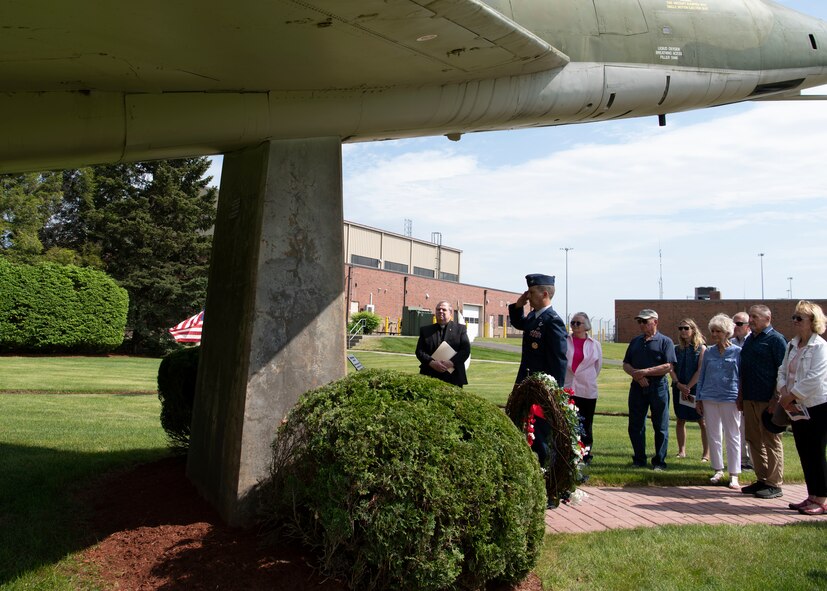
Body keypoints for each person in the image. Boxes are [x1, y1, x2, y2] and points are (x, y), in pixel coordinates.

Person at [777, 301, 827, 515]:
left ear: (813, 322)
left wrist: (792, 395)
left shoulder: (820, 346)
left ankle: (823, 499)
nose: (794, 321)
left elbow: (815, 378)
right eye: (794, 317)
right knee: (804, 451)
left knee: (816, 451)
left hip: (816, 406)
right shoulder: (792, 344)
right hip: (794, 406)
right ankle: (812, 495)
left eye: (799, 318)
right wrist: (783, 392)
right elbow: (782, 371)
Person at [739, 304, 787, 499]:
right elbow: (744, 369)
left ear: (767, 319)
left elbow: (783, 372)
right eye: (750, 317)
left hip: (768, 401)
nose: (750, 320)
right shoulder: (750, 340)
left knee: (771, 440)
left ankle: (775, 483)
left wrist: (776, 399)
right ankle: (762, 479)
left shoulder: (776, 340)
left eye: (755, 317)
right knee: (753, 440)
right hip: (750, 397)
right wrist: (741, 395)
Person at [623, 309, 676, 471]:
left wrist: (645, 372)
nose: (642, 325)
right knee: (635, 424)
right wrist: (636, 375)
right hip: (637, 387)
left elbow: (669, 366)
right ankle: (639, 459)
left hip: (657, 387)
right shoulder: (635, 342)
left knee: (660, 425)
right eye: (640, 321)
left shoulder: (665, 341)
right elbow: (626, 363)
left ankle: (659, 461)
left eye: (645, 321)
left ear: (655, 322)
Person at [696, 314, 742, 490]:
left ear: (727, 332)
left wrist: (740, 397)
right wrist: (699, 398)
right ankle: (717, 469)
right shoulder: (708, 352)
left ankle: (734, 474)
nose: (715, 334)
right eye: (713, 331)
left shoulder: (737, 351)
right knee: (714, 434)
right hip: (709, 396)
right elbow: (703, 374)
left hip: (730, 397)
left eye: (718, 331)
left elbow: (741, 376)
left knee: (733, 435)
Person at [508, 274, 567, 385]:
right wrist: (518, 306)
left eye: (532, 292)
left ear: (544, 294)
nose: (528, 296)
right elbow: (518, 323)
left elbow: (558, 361)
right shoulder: (533, 316)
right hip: (526, 378)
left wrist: (555, 391)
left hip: (541, 385)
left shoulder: (553, 321)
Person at [564, 312, 603, 464]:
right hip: (568, 387)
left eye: (578, 323)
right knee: (568, 422)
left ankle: (585, 454)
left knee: (586, 423)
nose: (574, 326)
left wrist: (588, 378)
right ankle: (568, 452)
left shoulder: (594, 345)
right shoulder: (566, 341)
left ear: (586, 326)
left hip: (587, 389)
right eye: (572, 322)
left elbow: (597, 367)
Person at [669, 318, 709, 462]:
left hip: (696, 389)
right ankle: (681, 451)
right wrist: (678, 384)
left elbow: (700, 370)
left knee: (702, 421)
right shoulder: (676, 349)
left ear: (693, 330)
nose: (683, 331)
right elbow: (670, 368)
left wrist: (688, 387)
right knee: (680, 419)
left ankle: (706, 454)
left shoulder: (701, 348)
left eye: (686, 328)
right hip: (679, 387)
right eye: (680, 328)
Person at [415, 300, 470, 387]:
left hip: (453, 377)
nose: (440, 311)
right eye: (438, 309)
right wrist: (431, 363)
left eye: (444, 310)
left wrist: (451, 363)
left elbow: (465, 351)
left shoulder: (460, 329)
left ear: (450, 312)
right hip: (430, 374)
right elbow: (419, 351)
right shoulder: (426, 330)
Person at [731, 311, 753, 470]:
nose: (735, 327)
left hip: (750, 389)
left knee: (750, 427)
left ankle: (753, 461)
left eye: (739, 324)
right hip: (733, 390)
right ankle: (742, 460)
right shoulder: (730, 343)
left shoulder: (752, 341)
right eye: (734, 323)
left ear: (748, 326)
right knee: (737, 427)